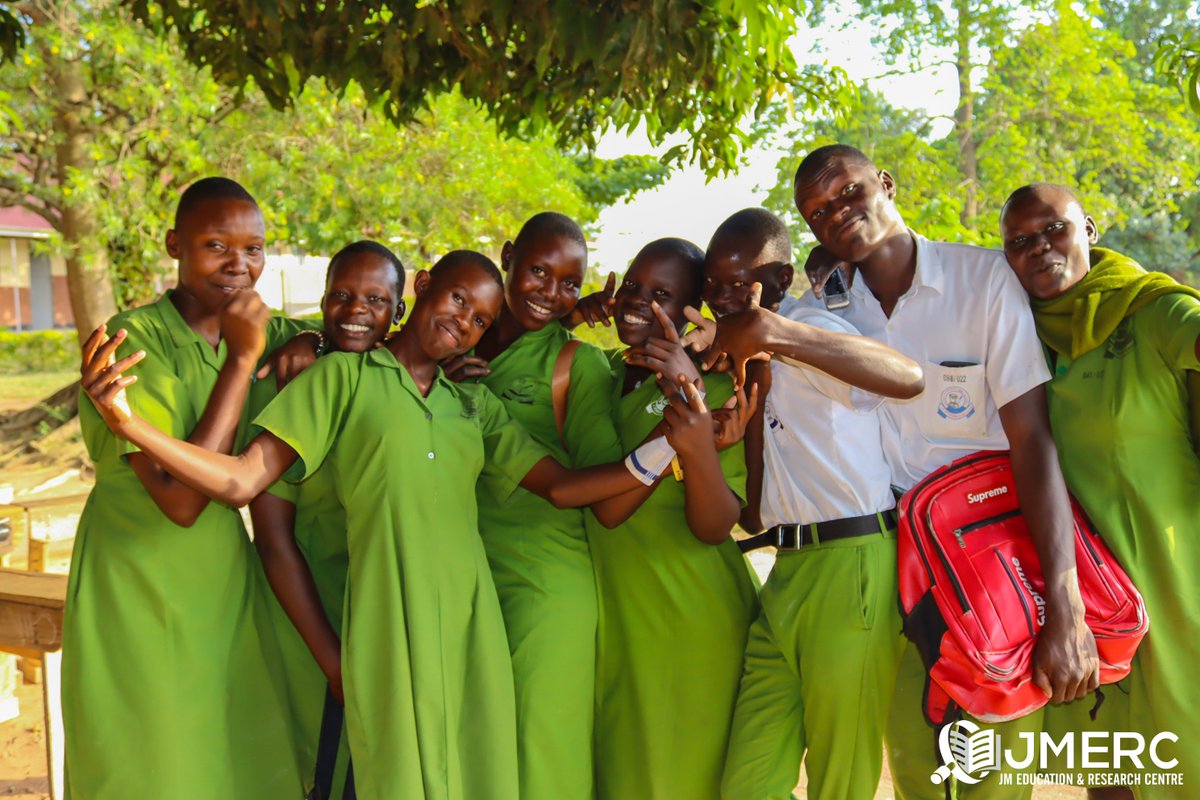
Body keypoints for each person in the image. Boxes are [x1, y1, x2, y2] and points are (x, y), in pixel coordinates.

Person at [80, 249, 725, 799]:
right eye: (454, 301)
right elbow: (243, 479)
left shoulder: (471, 403)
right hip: (388, 623)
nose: (462, 323)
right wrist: (130, 426)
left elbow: (560, 488)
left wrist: (670, 444)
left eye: (479, 319)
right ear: (421, 290)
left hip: (472, 629)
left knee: (477, 774)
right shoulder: (340, 376)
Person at [695, 145, 1097, 799]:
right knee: (917, 769)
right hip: (898, 566)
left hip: (991, 561)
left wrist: (1065, 601)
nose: (839, 212)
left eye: (849, 192)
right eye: (819, 210)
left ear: (884, 182)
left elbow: (1033, 442)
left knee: (993, 774)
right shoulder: (831, 311)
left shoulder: (982, 280)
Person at [62, 177, 309, 798]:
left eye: (253, 249)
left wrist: (308, 340)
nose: (239, 265)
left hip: (220, 577)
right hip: (141, 574)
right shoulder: (133, 338)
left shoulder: (252, 325)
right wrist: (242, 363)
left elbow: (346, 330)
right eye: (216, 245)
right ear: (176, 245)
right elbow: (179, 497)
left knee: (230, 753)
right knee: (154, 760)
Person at [696, 208, 924, 800]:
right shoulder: (741, 359)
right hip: (787, 570)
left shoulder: (809, 327)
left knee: (839, 778)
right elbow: (755, 512)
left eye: (738, 280)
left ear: (780, 277)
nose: (723, 296)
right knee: (748, 781)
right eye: (713, 282)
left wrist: (778, 336)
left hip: (853, 562)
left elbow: (904, 376)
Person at [999, 183, 1200, 797]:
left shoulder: (1154, 311)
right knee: (1105, 772)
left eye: (1054, 229)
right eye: (1020, 241)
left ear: (1089, 228)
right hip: (1074, 595)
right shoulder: (1012, 338)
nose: (1040, 248)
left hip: (1172, 578)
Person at [438, 213, 623, 800]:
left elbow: (601, 488)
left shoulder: (576, 365)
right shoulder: (447, 345)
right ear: (508, 255)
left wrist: (676, 443)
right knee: (475, 751)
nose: (551, 293)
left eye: (570, 283)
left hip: (545, 584)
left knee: (543, 755)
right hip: (463, 577)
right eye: (539, 272)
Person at [588, 237, 759, 800]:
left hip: (688, 617)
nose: (639, 302)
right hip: (617, 618)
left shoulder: (713, 388)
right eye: (633, 287)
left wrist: (692, 430)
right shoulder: (601, 373)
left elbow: (716, 526)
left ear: (692, 313)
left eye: (662, 295)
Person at [247, 240, 407, 796]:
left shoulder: (405, 382)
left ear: (399, 312)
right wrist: (334, 664)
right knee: (327, 773)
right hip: (317, 624)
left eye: (375, 298)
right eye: (340, 294)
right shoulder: (297, 381)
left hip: (390, 627)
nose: (356, 309)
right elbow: (272, 539)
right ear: (321, 300)